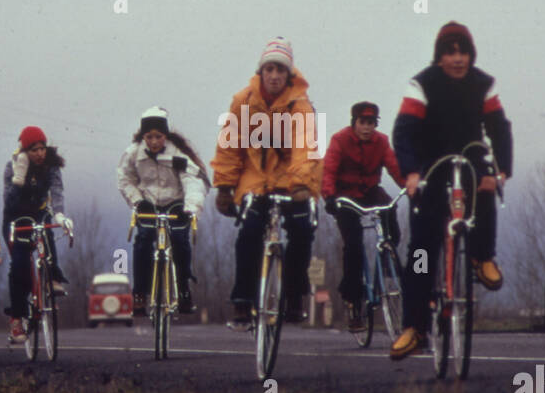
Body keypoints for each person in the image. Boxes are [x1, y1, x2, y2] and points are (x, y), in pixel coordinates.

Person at [389, 21, 514, 359]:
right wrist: (412, 174)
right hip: (430, 159)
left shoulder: (483, 84)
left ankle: (482, 256)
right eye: (450, 52)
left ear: (471, 55)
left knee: (485, 184)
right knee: (420, 250)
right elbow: (403, 133)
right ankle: (414, 328)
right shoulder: (422, 84)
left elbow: (499, 128)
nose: (458, 59)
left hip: (470, 152)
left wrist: (502, 169)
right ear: (440, 56)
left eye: (463, 52)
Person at [211, 36, 322, 327]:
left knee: (301, 229)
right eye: (269, 69)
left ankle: (295, 295)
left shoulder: (300, 104)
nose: (274, 76)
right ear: (261, 72)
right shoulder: (243, 101)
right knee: (249, 230)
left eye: (280, 70)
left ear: (289, 75)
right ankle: (242, 299)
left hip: (292, 181)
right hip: (255, 179)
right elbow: (229, 146)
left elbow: (304, 145)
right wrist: (224, 187)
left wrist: (299, 185)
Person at [117, 106, 209, 315]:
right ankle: (140, 292)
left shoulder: (178, 154)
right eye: (149, 137)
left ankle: (184, 287)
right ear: (143, 136)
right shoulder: (133, 153)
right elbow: (124, 179)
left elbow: (192, 180)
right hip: (148, 202)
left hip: (175, 201)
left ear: (165, 136)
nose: (154, 142)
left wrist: (190, 207)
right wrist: (137, 201)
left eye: (158, 137)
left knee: (180, 239)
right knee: (143, 239)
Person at [321, 101, 404, 330]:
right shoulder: (340, 140)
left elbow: (395, 168)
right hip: (346, 197)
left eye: (371, 123)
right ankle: (354, 302)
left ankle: (387, 260)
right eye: (363, 123)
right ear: (354, 123)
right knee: (354, 245)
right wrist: (329, 196)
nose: (367, 128)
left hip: (370, 192)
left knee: (390, 214)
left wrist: (410, 187)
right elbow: (328, 170)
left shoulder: (381, 142)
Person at [2, 126, 72, 344]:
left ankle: (53, 277)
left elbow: (57, 191)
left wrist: (60, 215)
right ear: (25, 152)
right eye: (34, 150)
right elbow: (9, 202)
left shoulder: (50, 166)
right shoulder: (12, 166)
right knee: (20, 265)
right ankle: (17, 318)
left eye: (42, 148)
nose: (40, 154)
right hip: (16, 218)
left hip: (39, 213)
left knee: (48, 235)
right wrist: (19, 179)